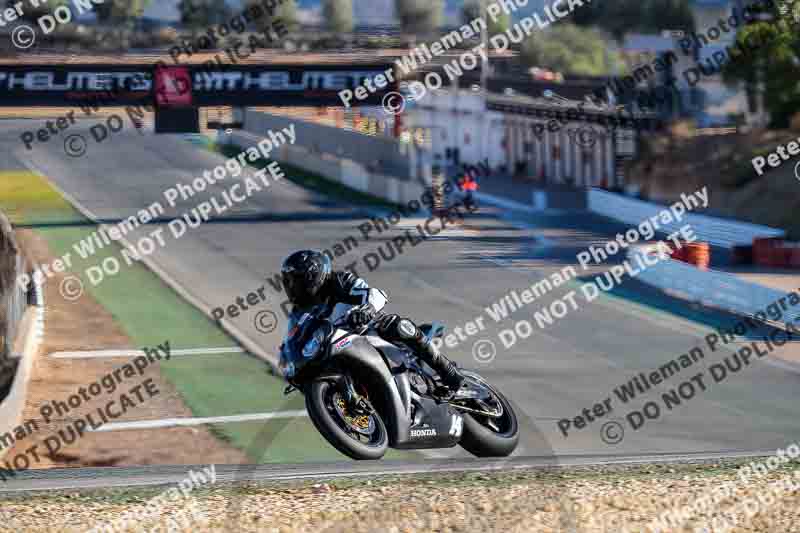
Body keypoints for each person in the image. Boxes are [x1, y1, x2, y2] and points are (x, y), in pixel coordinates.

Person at [279, 250, 465, 393]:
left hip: (366, 328)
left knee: (399, 326)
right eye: (288, 282)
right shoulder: (300, 311)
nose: (291, 287)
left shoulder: (339, 281)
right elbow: (294, 337)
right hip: (337, 349)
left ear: (312, 276)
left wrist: (366, 310)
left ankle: (447, 371)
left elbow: (375, 295)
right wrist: (289, 358)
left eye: (294, 281)